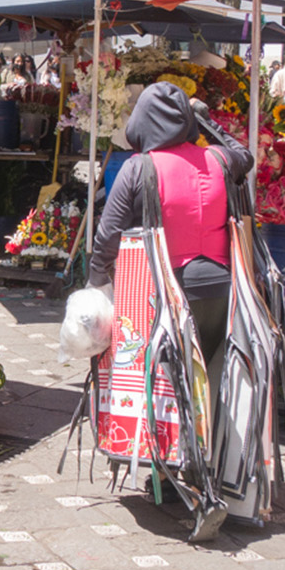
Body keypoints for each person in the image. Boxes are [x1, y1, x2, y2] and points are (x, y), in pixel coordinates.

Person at [87, 83, 252, 361]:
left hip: (163, 291)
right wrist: (208, 123)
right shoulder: (220, 159)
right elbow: (245, 156)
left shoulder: (138, 167)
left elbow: (108, 233)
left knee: (167, 385)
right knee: (214, 382)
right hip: (224, 289)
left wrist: (97, 280)